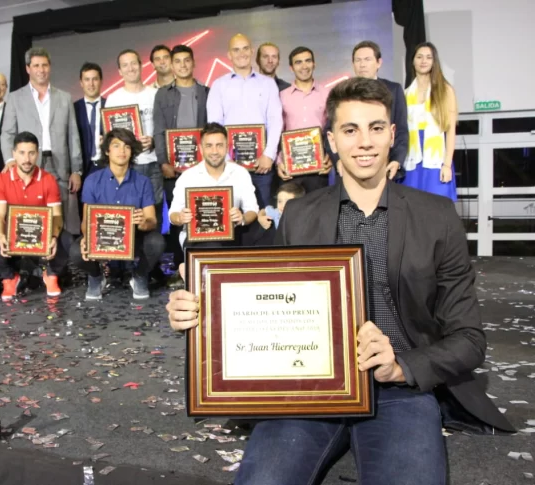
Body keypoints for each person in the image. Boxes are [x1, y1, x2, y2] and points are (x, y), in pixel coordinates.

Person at [167, 77, 514, 485]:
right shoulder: (300, 216)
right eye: (350, 130)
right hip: (308, 389)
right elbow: (269, 306)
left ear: (391, 136)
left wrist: (402, 366)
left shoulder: (437, 217)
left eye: (376, 128)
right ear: (331, 140)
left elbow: (469, 340)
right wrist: (201, 312)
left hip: (400, 390)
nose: (364, 141)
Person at [70, 128, 165, 300]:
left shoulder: (142, 181)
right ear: (107, 150)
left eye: (127, 146)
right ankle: (96, 277)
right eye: (116, 146)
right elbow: (86, 221)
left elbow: (152, 220)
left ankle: (140, 275)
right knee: (77, 251)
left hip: (134, 237)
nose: (122, 151)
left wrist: (143, 222)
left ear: (132, 151)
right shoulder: (92, 180)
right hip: (102, 239)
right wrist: (86, 238)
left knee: (156, 242)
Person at [0, 47, 83, 235]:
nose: (41, 69)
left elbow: (73, 135)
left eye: (44, 65)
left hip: (59, 165)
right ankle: (32, 261)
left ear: (50, 67)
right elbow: (7, 133)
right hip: (28, 163)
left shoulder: (64, 97)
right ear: (28, 69)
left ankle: (62, 260)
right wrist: (11, 160)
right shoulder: (15, 98)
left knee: (62, 217)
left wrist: (76, 170)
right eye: (36, 65)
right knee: (31, 215)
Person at [0, 131, 66, 301]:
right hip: (12, 235)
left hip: (41, 235)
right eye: (21, 153)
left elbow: (57, 216)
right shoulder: (1, 179)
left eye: (31, 153)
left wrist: (53, 235)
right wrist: (1, 235)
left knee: (66, 239)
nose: (26, 159)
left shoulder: (49, 179)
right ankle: (9, 278)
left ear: (37, 153)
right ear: (13, 153)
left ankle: (50, 275)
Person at [153, 44, 209, 287]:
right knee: (177, 219)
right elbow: (158, 130)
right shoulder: (162, 94)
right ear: (172, 65)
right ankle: (179, 267)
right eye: (178, 61)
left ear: (193, 63)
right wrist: (163, 161)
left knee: (204, 215)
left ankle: (205, 264)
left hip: (203, 167)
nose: (183, 65)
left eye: (187, 60)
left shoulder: (206, 92)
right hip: (173, 169)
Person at [207, 34, 283, 208]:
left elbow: (275, 120)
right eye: (236, 49)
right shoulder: (218, 85)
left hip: (261, 165)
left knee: (264, 216)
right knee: (232, 217)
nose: (241, 53)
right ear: (229, 55)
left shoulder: (268, 84)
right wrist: (225, 158)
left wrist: (269, 155)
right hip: (229, 166)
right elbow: (214, 126)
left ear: (252, 51)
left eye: (245, 48)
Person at [169, 123, 258, 250]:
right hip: (195, 239)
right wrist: (180, 217)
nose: (214, 151)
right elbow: (172, 214)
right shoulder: (188, 177)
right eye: (209, 146)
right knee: (212, 245)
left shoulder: (241, 173)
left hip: (231, 236)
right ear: (201, 148)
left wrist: (242, 218)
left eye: (219, 145)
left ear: (227, 148)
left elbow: (252, 210)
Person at [105, 49, 162, 213]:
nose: (130, 68)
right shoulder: (114, 99)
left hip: (153, 163)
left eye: (133, 63)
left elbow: (164, 129)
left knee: (155, 211)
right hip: (129, 165)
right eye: (125, 65)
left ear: (140, 65)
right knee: (129, 211)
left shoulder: (156, 94)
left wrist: (154, 141)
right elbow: (111, 136)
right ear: (119, 71)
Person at [402, 42, 458, 201]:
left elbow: (451, 131)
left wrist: (447, 164)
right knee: (411, 206)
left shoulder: (445, 90)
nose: (423, 61)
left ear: (434, 61)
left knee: (436, 205)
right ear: (413, 61)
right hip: (411, 157)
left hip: (435, 157)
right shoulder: (405, 94)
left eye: (428, 57)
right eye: (419, 57)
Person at [277, 46, 333, 193]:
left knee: (318, 211)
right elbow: (277, 131)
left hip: (319, 168)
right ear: (291, 67)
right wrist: (279, 162)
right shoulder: (281, 97)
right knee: (293, 212)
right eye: (298, 62)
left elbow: (333, 129)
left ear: (314, 64)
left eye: (308, 61)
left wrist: (331, 157)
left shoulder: (327, 94)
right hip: (290, 167)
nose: (304, 66)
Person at [351, 40, 407, 181]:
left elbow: (401, 129)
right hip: (353, 165)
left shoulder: (393, 90)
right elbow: (331, 129)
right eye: (358, 60)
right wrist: (338, 160)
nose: (362, 64)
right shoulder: (344, 92)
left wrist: (397, 160)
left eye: (367, 59)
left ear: (378, 63)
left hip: (386, 164)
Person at [74, 63, 105, 180]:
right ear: (81, 83)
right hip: (82, 170)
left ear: (101, 81)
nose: (91, 84)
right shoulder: (73, 109)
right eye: (87, 79)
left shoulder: (111, 106)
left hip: (106, 166)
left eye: (95, 79)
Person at [251, 180, 305, 246]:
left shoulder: (303, 218)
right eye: (279, 201)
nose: (282, 205)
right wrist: (260, 216)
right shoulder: (276, 212)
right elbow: (264, 210)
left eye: (287, 202)